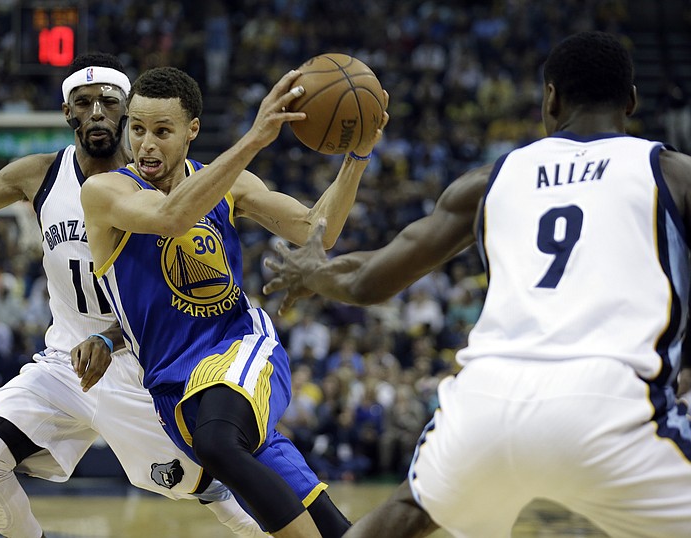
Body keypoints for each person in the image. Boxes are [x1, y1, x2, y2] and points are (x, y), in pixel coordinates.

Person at [263, 31, 691, 537]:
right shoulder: (673, 174)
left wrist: (310, 269)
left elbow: (367, 282)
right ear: (632, 101)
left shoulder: (492, 180)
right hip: (612, 403)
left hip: (487, 402)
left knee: (402, 517)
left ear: (549, 98)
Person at [0, 52, 262, 538]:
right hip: (64, 363)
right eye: (83, 102)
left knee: (213, 488)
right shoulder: (39, 174)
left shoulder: (158, 188)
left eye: (109, 102)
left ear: (128, 111)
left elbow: (169, 295)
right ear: (67, 113)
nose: (97, 111)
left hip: (139, 363)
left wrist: (110, 339)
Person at [80, 66, 388, 538]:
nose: (146, 144)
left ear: (192, 131)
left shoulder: (230, 185)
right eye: (137, 129)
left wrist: (358, 157)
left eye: (163, 131)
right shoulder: (105, 191)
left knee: (218, 443)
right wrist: (254, 138)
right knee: (329, 523)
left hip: (238, 347)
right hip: (171, 383)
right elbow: (170, 216)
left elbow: (314, 232)